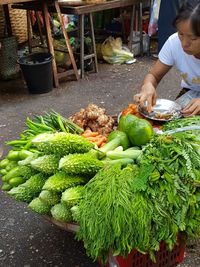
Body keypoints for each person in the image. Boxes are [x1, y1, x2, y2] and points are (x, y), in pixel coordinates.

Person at [134, 0, 200, 117]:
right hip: (190, 92)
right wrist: (148, 85)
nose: (184, 43)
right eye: (181, 34)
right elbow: (154, 75)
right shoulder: (173, 42)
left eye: (193, 38)